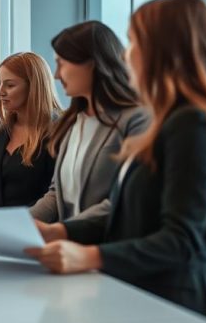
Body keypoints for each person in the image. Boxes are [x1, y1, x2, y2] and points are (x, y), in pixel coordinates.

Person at [27, 0, 206, 323]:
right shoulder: (169, 123)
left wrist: (90, 255)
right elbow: (129, 216)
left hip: (176, 314)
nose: (127, 54)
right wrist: (60, 231)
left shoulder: (193, 125)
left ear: (164, 52)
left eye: (135, 42)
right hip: (143, 295)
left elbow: (181, 241)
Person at [29, 21, 147, 236]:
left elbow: (121, 202)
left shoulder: (136, 120)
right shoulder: (74, 121)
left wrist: (61, 230)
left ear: (92, 63)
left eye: (61, 63)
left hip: (109, 254)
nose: (56, 75)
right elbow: (57, 194)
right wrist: (23, 223)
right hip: (70, 251)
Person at [0, 52, 61, 208]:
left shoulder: (59, 131)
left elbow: (55, 197)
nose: (0, 91)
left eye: (10, 85)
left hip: (37, 227)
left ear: (33, 87)